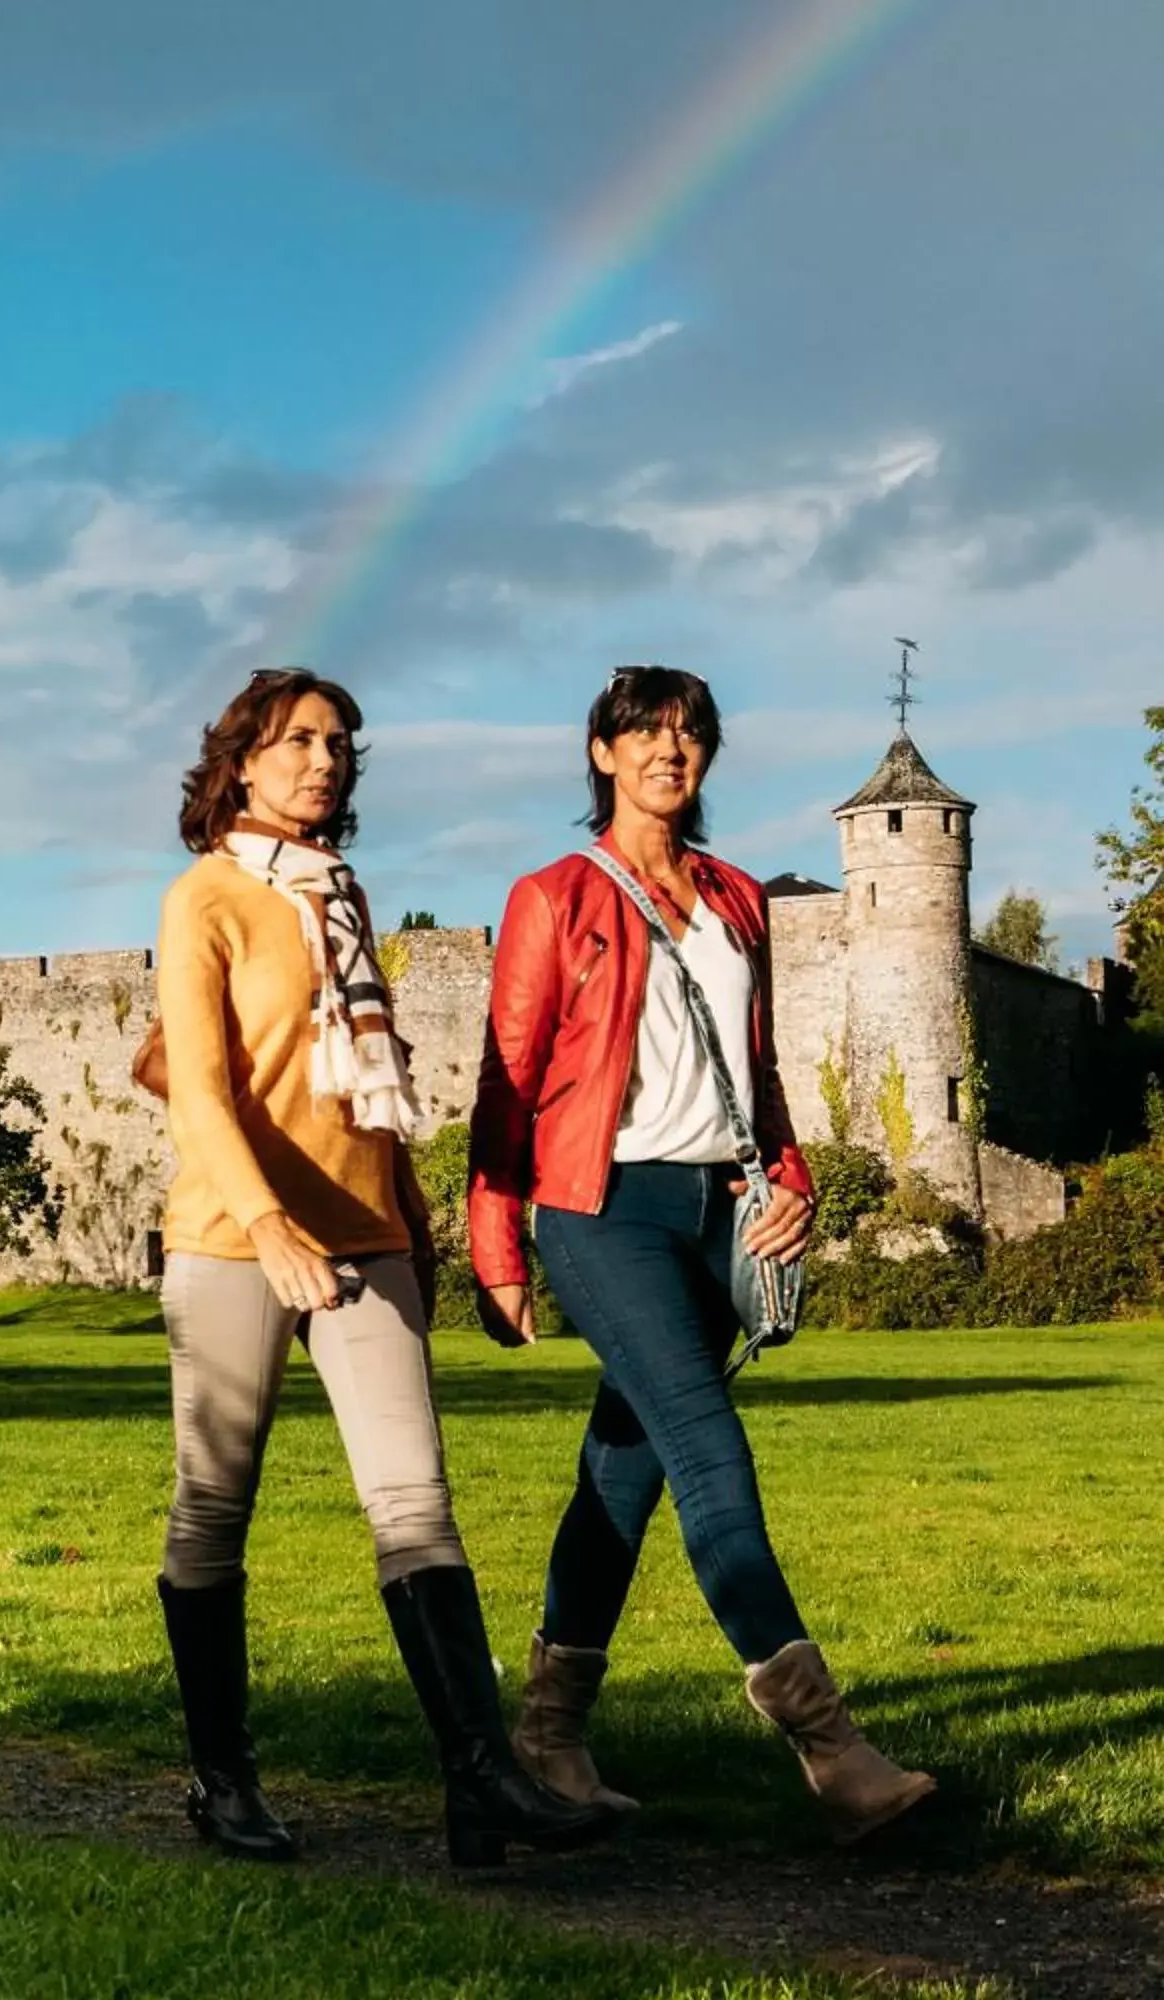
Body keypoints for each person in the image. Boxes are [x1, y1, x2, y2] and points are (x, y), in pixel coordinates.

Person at [153, 669, 619, 1869]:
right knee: (213, 1509)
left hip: (365, 1238)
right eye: (299, 739)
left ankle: (480, 1783)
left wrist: (412, 1220)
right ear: (241, 760)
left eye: (341, 743)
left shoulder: (342, 897)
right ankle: (222, 1779)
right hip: (234, 1236)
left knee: (416, 1506)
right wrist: (266, 1225)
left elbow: (366, 1099)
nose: (325, 759)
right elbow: (202, 1090)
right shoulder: (205, 896)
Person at [470, 665, 934, 1844]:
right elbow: (507, 1082)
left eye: (691, 735)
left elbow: (757, 1073)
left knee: (622, 1469)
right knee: (707, 1450)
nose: (672, 751)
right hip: (601, 1207)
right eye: (648, 733)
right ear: (602, 752)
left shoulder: (734, 894)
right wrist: (498, 1247)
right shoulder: (554, 894)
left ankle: (548, 1734)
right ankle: (831, 1749)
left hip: (722, 1205)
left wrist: (793, 1187)